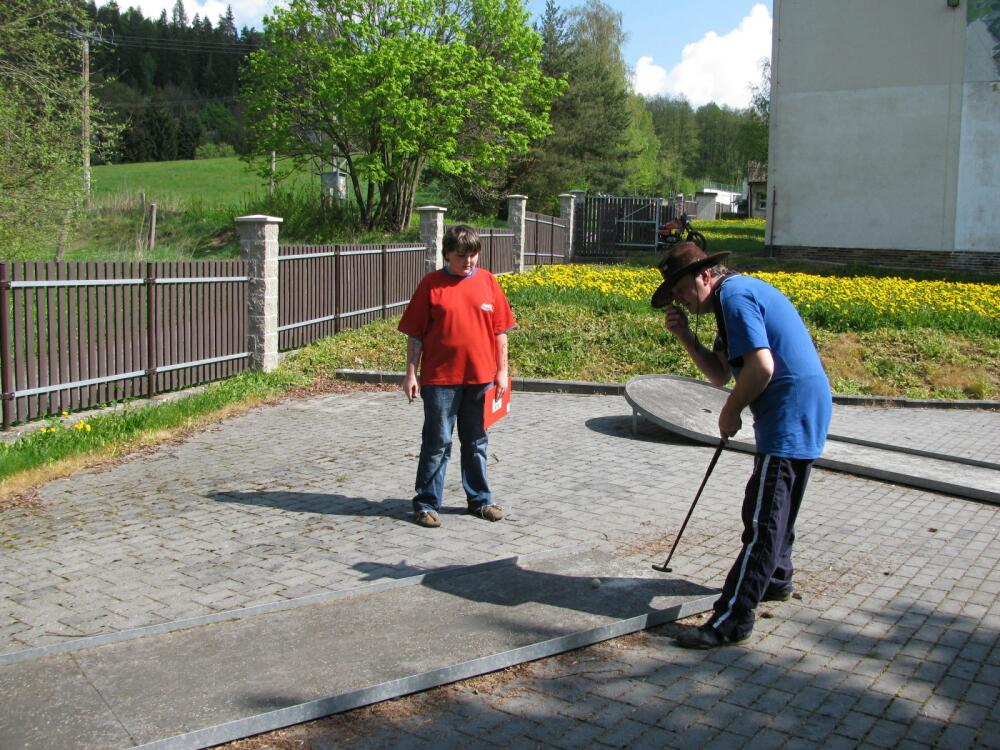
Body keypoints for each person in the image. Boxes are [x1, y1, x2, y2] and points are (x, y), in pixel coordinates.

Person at [652, 242, 832, 649]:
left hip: (789, 410)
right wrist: (686, 338)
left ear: (705, 275)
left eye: (680, 289)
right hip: (802, 406)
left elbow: (762, 367)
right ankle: (776, 578)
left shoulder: (734, 297)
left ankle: (731, 620)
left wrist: (731, 409)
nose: (679, 299)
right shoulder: (729, 300)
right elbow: (719, 374)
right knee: (774, 505)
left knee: (763, 519)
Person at [398, 225, 516, 528]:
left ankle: (480, 501)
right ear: (447, 254)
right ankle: (426, 504)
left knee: (476, 442)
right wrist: (411, 373)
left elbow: (500, 332)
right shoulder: (431, 285)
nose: (468, 261)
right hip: (440, 380)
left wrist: (502, 372)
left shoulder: (488, 282)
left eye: (473, 254)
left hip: (481, 378)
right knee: (437, 442)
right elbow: (415, 334)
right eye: (461, 255)